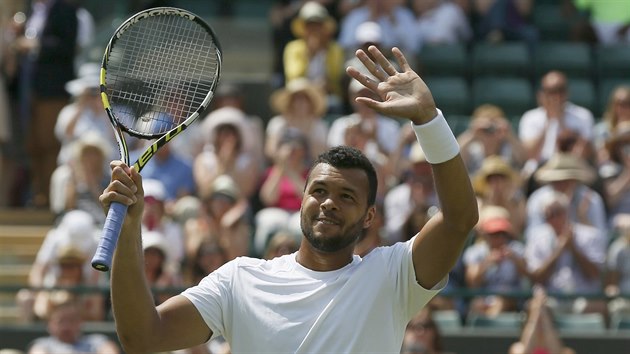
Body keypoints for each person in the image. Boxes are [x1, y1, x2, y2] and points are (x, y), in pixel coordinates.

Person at [98, 45, 477, 353]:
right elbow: (143, 337)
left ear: (369, 217)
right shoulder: (240, 280)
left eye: (347, 196)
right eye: (320, 191)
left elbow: (459, 219)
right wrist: (130, 229)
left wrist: (429, 120)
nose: (329, 203)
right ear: (301, 200)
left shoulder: (392, 275)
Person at [518, 71, 595, 176]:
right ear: (541, 94)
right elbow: (529, 155)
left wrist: (561, 120)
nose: (556, 96)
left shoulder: (583, 115)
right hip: (541, 167)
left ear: (567, 93)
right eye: (551, 91)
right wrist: (548, 120)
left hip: (572, 166)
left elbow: (586, 153)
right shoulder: (530, 117)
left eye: (560, 90)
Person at [283, 1, 345, 113]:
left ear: (324, 27)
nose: (314, 29)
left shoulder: (334, 49)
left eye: (318, 25)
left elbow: (335, 77)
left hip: (327, 95)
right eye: (310, 25)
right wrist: (309, 53)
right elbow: (294, 76)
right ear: (304, 28)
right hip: (300, 95)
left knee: (335, 103)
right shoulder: (293, 48)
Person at [27, 300, 120, 354]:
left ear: (80, 323)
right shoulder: (42, 344)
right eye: (60, 321)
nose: (66, 326)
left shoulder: (96, 341)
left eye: (71, 321)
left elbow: (110, 351)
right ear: (50, 324)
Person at [508, 287, 576, 354]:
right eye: (534, 318)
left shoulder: (566, 352)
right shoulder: (517, 349)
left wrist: (543, 311)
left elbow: (556, 352)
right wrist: (536, 312)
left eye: (543, 318)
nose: (539, 323)